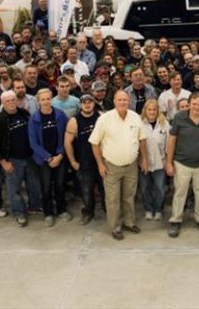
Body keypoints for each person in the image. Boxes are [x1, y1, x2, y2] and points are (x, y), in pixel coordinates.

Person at [89, 90, 148, 240]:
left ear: (129, 101)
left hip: (131, 165)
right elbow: (95, 143)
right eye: (119, 100)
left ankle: (129, 222)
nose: (122, 102)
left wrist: (145, 159)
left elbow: (142, 140)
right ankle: (115, 227)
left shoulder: (135, 117)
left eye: (125, 100)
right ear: (114, 101)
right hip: (111, 166)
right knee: (113, 199)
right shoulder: (104, 119)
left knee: (129, 196)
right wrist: (100, 165)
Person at [165, 92, 199, 238]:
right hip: (182, 163)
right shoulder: (179, 117)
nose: (197, 107)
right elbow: (172, 141)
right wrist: (169, 162)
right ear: (189, 104)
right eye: (194, 104)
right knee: (180, 193)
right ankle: (175, 220)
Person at [0, 90, 35, 227]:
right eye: (7, 101)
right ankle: (19, 213)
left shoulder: (24, 114)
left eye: (13, 99)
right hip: (12, 160)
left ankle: (34, 207)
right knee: (14, 189)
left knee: (33, 185)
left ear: (17, 100)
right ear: (2, 103)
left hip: (29, 157)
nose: (11, 103)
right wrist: (4, 162)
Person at [28, 89, 71, 227]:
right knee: (46, 187)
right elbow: (33, 143)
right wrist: (48, 158)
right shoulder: (34, 119)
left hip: (59, 156)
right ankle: (48, 213)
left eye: (48, 99)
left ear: (51, 99)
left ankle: (61, 209)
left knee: (60, 185)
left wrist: (60, 155)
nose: (46, 102)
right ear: (38, 101)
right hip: (43, 160)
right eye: (43, 99)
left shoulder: (60, 115)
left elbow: (67, 136)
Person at [63, 93, 103, 226]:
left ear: (94, 104)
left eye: (89, 102)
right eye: (84, 102)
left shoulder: (101, 117)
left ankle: (107, 209)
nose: (87, 104)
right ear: (80, 105)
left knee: (105, 189)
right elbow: (67, 143)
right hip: (84, 162)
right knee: (86, 190)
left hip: (101, 161)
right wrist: (73, 161)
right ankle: (88, 212)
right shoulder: (74, 121)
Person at [138, 99, 169, 221]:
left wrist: (167, 160)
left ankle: (159, 209)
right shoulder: (139, 123)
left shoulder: (164, 124)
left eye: (154, 109)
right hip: (143, 162)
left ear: (158, 110)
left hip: (160, 163)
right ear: (145, 110)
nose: (151, 112)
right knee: (145, 188)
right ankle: (149, 210)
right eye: (149, 109)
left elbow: (168, 144)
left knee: (160, 188)